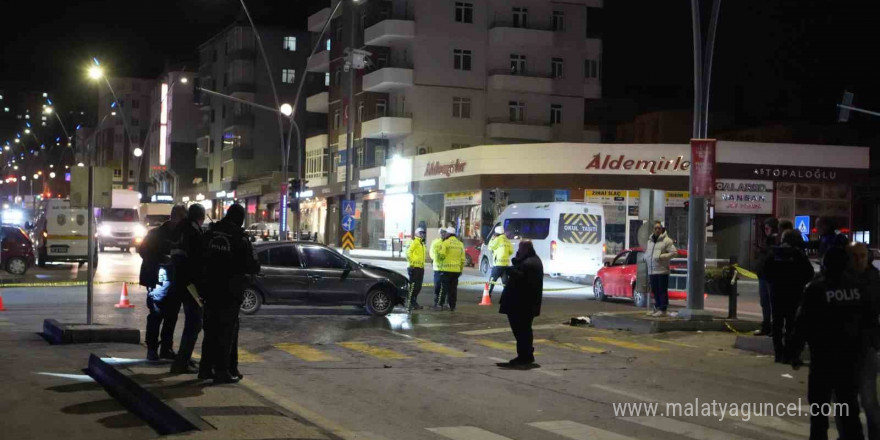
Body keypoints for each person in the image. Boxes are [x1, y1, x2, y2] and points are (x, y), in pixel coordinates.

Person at [790, 246, 869, 440]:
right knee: (849, 409)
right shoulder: (857, 287)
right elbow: (867, 321)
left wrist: (794, 351)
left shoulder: (816, 288)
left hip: (823, 358)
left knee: (819, 412)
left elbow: (803, 323)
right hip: (850, 358)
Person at [198, 204, 260, 384]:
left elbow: (200, 257)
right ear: (240, 218)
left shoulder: (210, 233)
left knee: (210, 330)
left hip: (209, 289)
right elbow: (253, 265)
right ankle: (222, 370)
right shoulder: (239, 238)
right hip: (229, 291)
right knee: (227, 331)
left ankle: (205, 368)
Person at [140, 204, 187, 361]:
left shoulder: (180, 234)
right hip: (159, 279)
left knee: (171, 316)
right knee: (156, 315)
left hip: (175, 280)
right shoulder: (157, 234)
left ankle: (166, 348)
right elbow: (143, 251)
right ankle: (152, 349)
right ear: (177, 217)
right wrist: (162, 259)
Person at [760, 230, 814, 364]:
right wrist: (799, 283)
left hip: (777, 292)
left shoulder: (774, 253)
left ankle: (778, 354)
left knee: (777, 323)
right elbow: (809, 273)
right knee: (792, 324)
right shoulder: (798, 255)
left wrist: (773, 282)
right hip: (794, 293)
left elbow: (763, 270)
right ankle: (790, 354)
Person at [169, 204, 207, 374]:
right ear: (202, 217)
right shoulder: (193, 232)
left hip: (179, 281)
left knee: (191, 323)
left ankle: (183, 359)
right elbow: (197, 261)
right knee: (194, 324)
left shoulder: (180, 229)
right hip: (190, 285)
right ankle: (181, 362)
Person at [848, 243, 880, 439]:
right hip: (844, 346)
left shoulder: (874, 279)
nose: (859, 260)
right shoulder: (841, 278)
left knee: (869, 399)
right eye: (855, 256)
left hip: (867, 344)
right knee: (846, 399)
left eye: (862, 256)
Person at [498, 240, 543, 368]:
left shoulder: (530, 263)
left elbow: (521, 278)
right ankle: (525, 355)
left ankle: (525, 356)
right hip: (523, 304)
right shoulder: (531, 260)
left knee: (521, 331)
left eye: (520, 249)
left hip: (522, 304)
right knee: (523, 331)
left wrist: (510, 269)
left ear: (525, 249)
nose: (518, 251)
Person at [642, 221, 677, 317]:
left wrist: (662, 257)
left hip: (662, 270)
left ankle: (663, 309)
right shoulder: (650, 241)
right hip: (652, 270)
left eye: (659, 228)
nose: (657, 230)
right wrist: (646, 257)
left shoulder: (667, 240)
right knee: (655, 290)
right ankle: (657, 308)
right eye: (655, 228)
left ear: (662, 229)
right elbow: (648, 252)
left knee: (662, 290)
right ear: (653, 230)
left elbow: (674, 252)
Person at [755, 217, 780, 336]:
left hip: (771, 276)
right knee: (765, 302)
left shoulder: (776, 240)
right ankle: (766, 326)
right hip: (763, 275)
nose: (766, 230)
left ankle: (773, 327)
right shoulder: (767, 240)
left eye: (767, 227)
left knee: (772, 303)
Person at [436, 226, 465, 312]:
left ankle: (440, 304)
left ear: (448, 234)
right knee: (453, 289)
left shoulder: (445, 243)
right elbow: (463, 259)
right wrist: (460, 270)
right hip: (456, 271)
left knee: (443, 288)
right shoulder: (460, 244)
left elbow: (441, 255)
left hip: (445, 270)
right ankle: (452, 305)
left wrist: (439, 262)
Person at [486, 225, 514, 299]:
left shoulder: (498, 239)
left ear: (496, 233)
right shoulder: (507, 240)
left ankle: (487, 296)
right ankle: (507, 298)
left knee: (492, 281)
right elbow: (511, 251)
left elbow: (490, 247)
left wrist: (492, 239)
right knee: (505, 283)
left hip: (498, 265)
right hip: (506, 265)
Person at [405, 228, 426, 310]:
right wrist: (412, 264)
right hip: (414, 267)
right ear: (416, 233)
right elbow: (408, 253)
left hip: (420, 267)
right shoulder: (414, 242)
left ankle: (413, 302)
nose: (422, 234)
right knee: (413, 286)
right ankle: (411, 303)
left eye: (423, 233)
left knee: (418, 286)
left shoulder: (422, 243)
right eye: (421, 233)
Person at [430, 228, 447, 310]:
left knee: (444, 287)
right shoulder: (435, 242)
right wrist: (438, 258)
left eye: (444, 232)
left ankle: (441, 303)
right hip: (437, 267)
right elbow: (431, 254)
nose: (443, 234)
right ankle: (436, 302)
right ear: (439, 233)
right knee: (437, 286)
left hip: (446, 268)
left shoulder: (447, 243)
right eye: (441, 232)